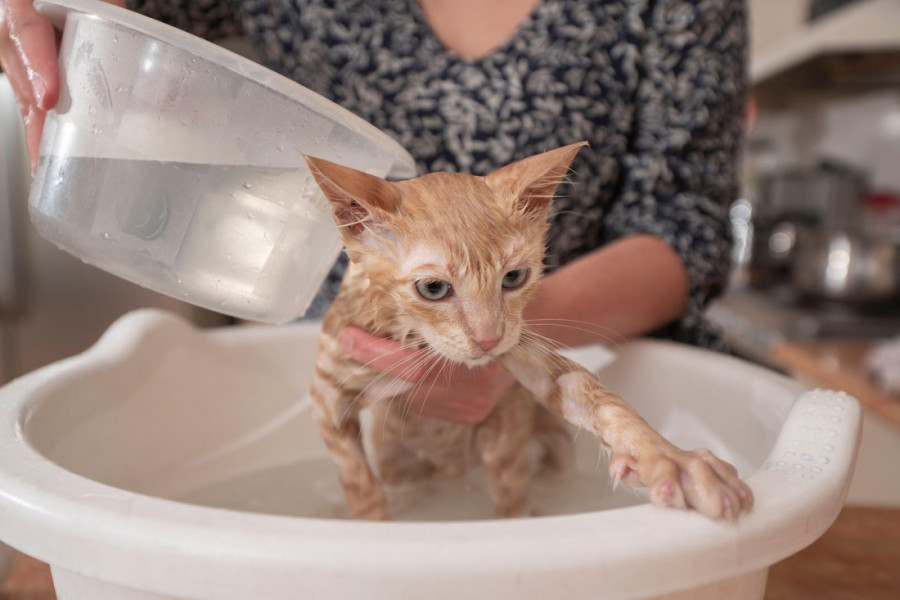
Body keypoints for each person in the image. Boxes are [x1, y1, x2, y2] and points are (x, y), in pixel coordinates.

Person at [1, 0, 748, 424]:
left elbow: (686, 222)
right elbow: (112, 16)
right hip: (322, 366)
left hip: (588, 358)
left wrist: (505, 344)